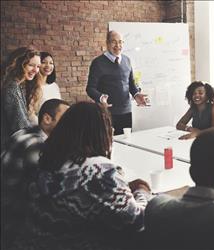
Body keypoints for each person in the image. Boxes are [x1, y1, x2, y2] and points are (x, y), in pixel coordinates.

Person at [22, 102, 151, 249]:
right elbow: (137, 221)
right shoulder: (99, 171)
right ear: (101, 132)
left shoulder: (47, 162)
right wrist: (142, 190)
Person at [1, 99, 70, 249]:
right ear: (47, 119)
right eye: (66, 119)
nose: (70, 125)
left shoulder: (26, 131)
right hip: (13, 222)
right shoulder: (37, 146)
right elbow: (50, 191)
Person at [86, 30, 148, 135]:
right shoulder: (98, 63)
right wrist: (101, 98)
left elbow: (131, 84)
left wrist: (137, 95)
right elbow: (90, 88)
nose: (117, 45)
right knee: (108, 143)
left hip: (126, 111)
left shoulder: (127, 60)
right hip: (108, 112)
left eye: (120, 42)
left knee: (126, 142)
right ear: (107, 43)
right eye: (113, 42)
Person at [1, 47, 42, 148]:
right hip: (7, 146)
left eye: (38, 66)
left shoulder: (20, 85)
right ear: (19, 65)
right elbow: (20, 125)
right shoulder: (12, 87)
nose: (35, 70)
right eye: (31, 65)